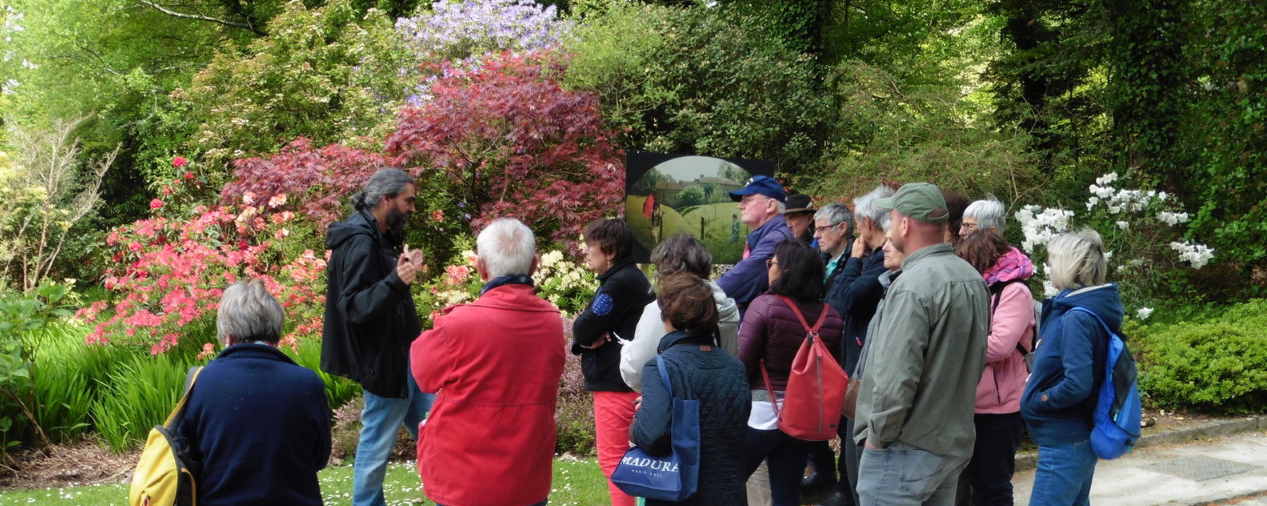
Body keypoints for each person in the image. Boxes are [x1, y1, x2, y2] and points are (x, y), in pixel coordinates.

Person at [851, 183, 990, 506]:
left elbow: (897, 375)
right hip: (949, 442)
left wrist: (877, 437)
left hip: (904, 448)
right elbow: (977, 358)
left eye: (892, 217)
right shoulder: (970, 277)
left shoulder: (912, 285)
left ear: (905, 224)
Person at [411, 218, 565, 506]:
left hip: (463, 479)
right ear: (534, 264)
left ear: (481, 267)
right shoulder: (551, 322)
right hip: (526, 475)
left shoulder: (459, 325)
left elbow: (423, 374)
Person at [321, 168, 433, 506]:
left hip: (407, 358)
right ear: (386, 200)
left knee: (438, 434)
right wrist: (397, 280)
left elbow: (381, 292)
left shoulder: (380, 236)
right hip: (384, 362)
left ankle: (455, 496)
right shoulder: (359, 241)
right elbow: (354, 307)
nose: (412, 207)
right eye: (407, 200)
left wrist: (399, 271)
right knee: (376, 446)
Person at [180, 280, 330, 506]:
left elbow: (189, 460)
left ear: (228, 337)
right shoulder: (307, 383)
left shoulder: (201, 383)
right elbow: (319, 457)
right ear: (276, 335)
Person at [630, 272, 752, 505]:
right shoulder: (734, 367)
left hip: (678, 489)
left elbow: (652, 436)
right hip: (728, 491)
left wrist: (639, 421)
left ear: (667, 317)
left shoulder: (661, 366)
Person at [739, 240, 844, 506]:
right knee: (786, 491)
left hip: (762, 411)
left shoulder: (764, 306)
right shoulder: (831, 317)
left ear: (786, 270)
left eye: (771, 263)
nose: (768, 268)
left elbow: (743, 363)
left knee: (727, 479)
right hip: (803, 416)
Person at [1022, 229, 1121, 506]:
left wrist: (1042, 398)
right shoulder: (1080, 309)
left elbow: (1078, 383)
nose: (1049, 267)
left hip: (1065, 438)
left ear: (1070, 266)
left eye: (1053, 260)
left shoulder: (1077, 317)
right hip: (1074, 436)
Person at [810, 186, 894, 506]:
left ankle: (850, 494)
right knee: (848, 438)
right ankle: (845, 491)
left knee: (857, 442)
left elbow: (840, 303)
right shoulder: (871, 258)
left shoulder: (877, 261)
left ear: (868, 223)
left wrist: (856, 261)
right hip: (852, 360)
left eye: (860, 222)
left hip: (866, 365)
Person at [573, 218, 655, 506]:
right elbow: (588, 331)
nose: (586, 252)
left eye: (590, 246)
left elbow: (584, 328)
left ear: (609, 251)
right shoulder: (632, 278)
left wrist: (582, 338)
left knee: (614, 461)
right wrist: (585, 338)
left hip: (615, 384)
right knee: (634, 461)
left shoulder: (617, 284)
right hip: (629, 381)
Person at [955, 229, 1035, 506]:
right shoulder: (982, 289)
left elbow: (999, 346)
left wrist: (951, 348)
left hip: (1001, 409)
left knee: (993, 485)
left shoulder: (1014, 291)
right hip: (972, 403)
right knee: (969, 483)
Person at [622, 234, 741, 390]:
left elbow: (637, 371)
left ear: (666, 269)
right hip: (719, 399)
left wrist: (625, 351)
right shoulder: (726, 306)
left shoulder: (665, 307)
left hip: (678, 400)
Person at [718, 175, 794, 316]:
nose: (740, 206)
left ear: (770, 205)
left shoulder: (776, 240)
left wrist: (695, 294)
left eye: (748, 200)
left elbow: (735, 283)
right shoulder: (769, 236)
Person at [813, 203, 853, 291]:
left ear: (842, 228)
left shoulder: (856, 263)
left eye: (822, 229)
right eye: (816, 230)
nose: (815, 236)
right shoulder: (817, 257)